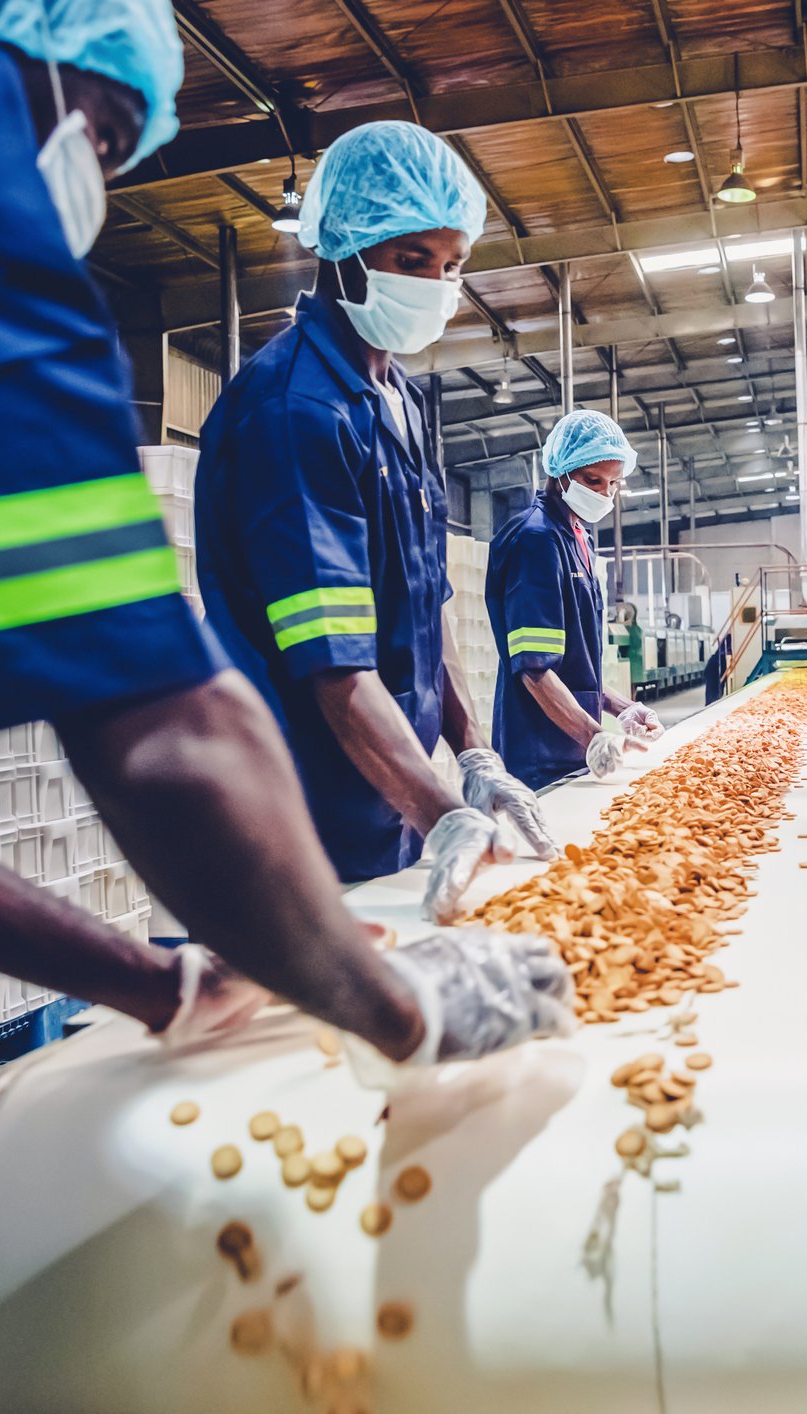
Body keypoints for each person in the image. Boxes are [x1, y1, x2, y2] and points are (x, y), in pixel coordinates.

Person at [0, 0, 568, 1083]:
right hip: (310, 814)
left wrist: (161, 988)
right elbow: (163, 725)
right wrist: (395, 1005)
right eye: (106, 138)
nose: (93, 188)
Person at [193, 119, 557, 905]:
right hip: (298, 805)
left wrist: (473, 758)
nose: (435, 284)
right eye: (410, 259)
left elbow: (428, 612)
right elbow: (331, 660)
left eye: (452, 264)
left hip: (386, 791)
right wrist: (444, 817)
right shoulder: (294, 410)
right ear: (342, 249)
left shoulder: (398, 400)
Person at [487, 411, 664, 790]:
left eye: (613, 483)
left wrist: (623, 708)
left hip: (573, 748)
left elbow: (574, 666)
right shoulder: (536, 540)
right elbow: (535, 669)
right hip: (540, 753)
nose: (604, 494)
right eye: (592, 480)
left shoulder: (578, 537)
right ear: (561, 471)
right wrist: (595, 738)